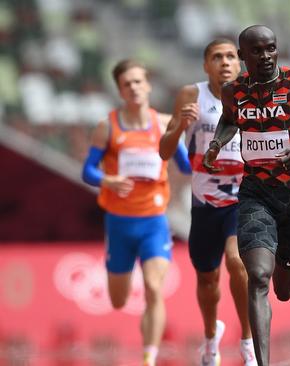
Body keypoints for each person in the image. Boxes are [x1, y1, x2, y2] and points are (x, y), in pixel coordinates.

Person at [202, 25, 290, 366]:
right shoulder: (234, 91)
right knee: (258, 276)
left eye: (271, 48)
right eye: (257, 51)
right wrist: (216, 143)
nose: (265, 56)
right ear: (242, 57)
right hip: (256, 193)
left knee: (283, 289)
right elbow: (228, 121)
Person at [81, 59, 192, 366]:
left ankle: (149, 358)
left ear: (148, 86)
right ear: (119, 90)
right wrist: (108, 180)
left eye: (138, 82)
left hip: (154, 222)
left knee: (155, 288)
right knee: (118, 300)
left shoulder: (163, 124)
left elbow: (185, 166)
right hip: (118, 224)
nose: (134, 88)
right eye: (127, 84)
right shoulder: (108, 127)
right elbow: (88, 170)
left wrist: (184, 131)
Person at [158, 38, 256, 366]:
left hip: (243, 199)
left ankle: (247, 340)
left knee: (237, 262)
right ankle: (211, 338)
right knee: (207, 278)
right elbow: (164, 151)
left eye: (231, 57)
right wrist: (179, 128)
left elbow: (274, 139)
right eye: (217, 57)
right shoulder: (192, 95)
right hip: (204, 202)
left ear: (240, 64)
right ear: (206, 65)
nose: (225, 62)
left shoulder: (254, 96)